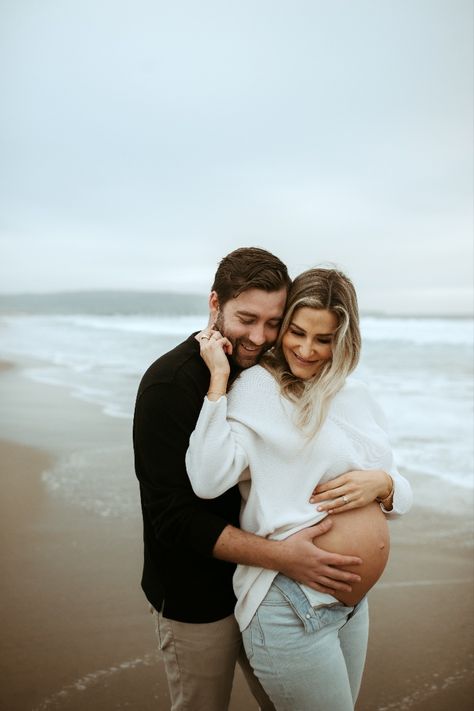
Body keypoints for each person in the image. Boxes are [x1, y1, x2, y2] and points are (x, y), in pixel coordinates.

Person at [133, 249, 365, 711]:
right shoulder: (170, 385)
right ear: (215, 303)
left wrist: (384, 484)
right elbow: (173, 518)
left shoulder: (272, 374)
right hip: (200, 596)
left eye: (274, 322)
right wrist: (284, 557)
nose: (259, 337)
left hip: (272, 592)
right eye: (246, 318)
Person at [186, 267, 413, 711]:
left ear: (343, 340)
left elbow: (399, 497)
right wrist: (217, 382)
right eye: (297, 332)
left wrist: (385, 485)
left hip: (351, 607)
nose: (306, 350)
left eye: (323, 339)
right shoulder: (258, 388)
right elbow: (207, 478)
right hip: (290, 605)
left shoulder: (355, 395)